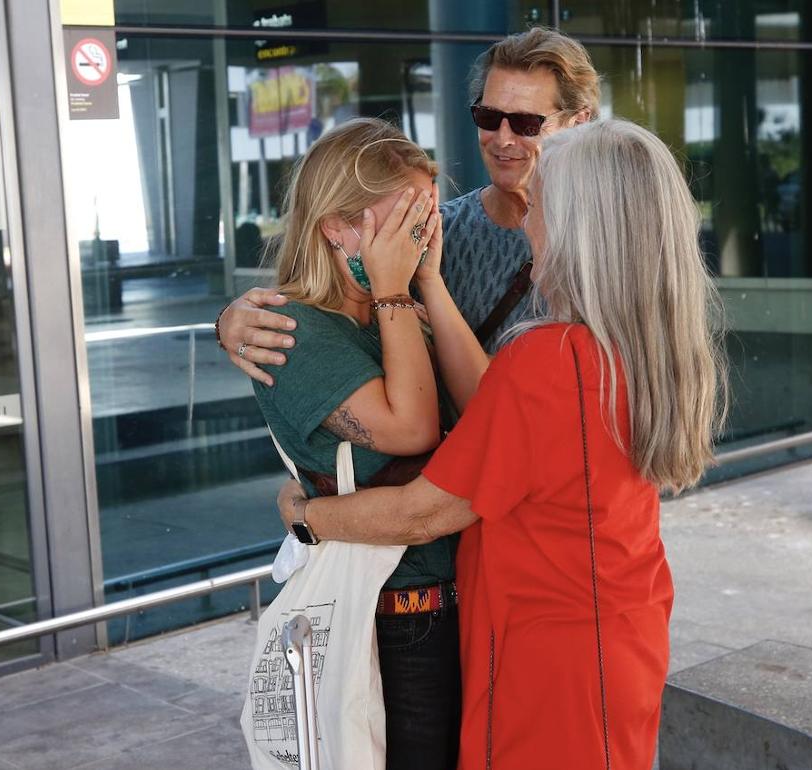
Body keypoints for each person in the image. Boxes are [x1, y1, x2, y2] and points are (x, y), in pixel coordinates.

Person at [279, 119, 727, 770]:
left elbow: (422, 512)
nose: (524, 225)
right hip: (621, 637)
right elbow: (500, 404)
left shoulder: (551, 361)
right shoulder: (628, 349)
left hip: (549, 667)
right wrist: (427, 281)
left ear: (579, 227)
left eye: (538, 205)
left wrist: (304, 516)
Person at [251, 117, 461, 770]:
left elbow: (486, 410)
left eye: (426, 217)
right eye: (402, 221)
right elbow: (411, 430)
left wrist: (424, 282)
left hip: (458, 602)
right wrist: (398, 290)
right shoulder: (292, 329)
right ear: (336, 227)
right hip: (394, 626)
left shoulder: (392, 314)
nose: (420, 236)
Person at [217, 27, 600, 379]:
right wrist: (234, 321)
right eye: (488, 116)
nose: (501, 139)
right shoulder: (432, 229)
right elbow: (333, 309)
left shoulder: (610, 244)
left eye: (526, 123)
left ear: (579, 123)